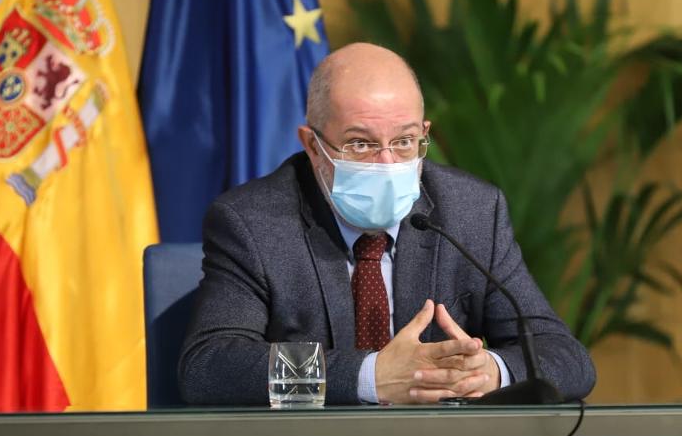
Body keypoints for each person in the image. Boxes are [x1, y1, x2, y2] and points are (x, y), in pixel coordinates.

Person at [179, 43, 596, 405]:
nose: (387, 163)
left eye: (403, 141)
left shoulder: (471, 213)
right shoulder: (255, 222)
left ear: (423, 135)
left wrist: (491, 371)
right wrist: (369, 376)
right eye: (360, 143)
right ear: (313, 145)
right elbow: (210, 366)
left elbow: (568, 358)